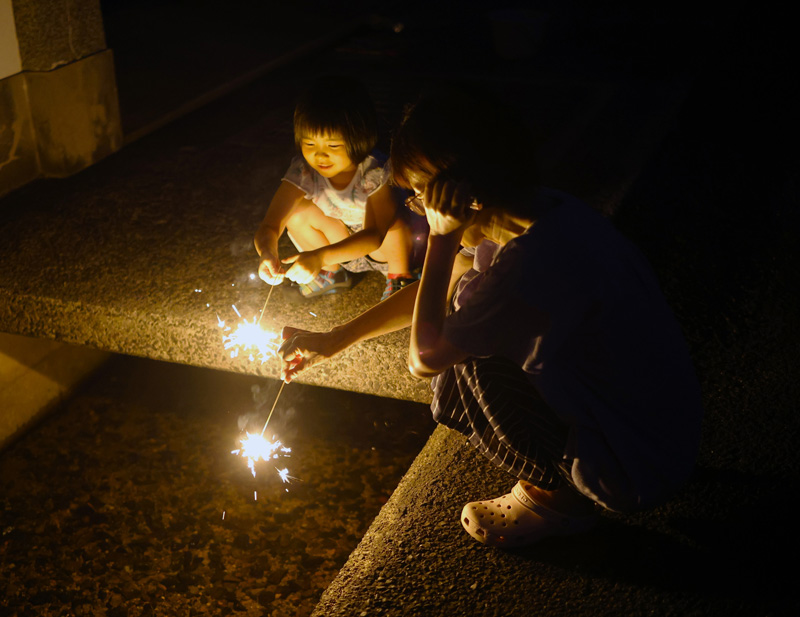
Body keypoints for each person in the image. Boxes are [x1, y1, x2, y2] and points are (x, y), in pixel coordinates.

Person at [278, 85, 703, 548]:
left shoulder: (533, 261)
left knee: (469, 357)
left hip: (630, 467)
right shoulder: (541, 210)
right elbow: (435, 290)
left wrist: (441, 238)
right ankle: (563, 479)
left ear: (467, 196)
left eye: (423, 196)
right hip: (657, 438)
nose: (420, 209)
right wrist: (335, 338)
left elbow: (424, 358)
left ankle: (562, 501)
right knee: (463, 311)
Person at [254, 75, 423, 301]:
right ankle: (332, 275)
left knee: (394, 224)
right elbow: (271, 224)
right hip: (342, 246)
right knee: (297, 214)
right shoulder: (305, 171)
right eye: (310, 144)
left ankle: (401, 278)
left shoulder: (373, 172)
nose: (320, 154)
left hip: (386, 248)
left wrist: (318, 257)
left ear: (358, 139)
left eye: (333, 145)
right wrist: (267, 252)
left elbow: (374, 236)